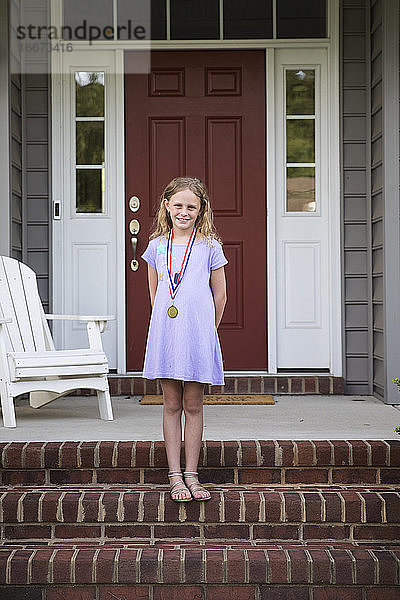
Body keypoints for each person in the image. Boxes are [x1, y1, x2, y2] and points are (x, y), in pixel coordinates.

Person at [141, 176, 228, 502]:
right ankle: (174, 475)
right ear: (167, 206)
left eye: (191, 206)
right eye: (178, 205)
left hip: (197, 336)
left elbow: (220, 295)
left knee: (194, 405)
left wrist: (207, 330)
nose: (184, 211)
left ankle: (192, 475)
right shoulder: (157, 246)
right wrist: (168, 326)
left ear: (201, 209)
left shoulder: (209, 247)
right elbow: (155, 292)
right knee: (171, 404)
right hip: (167, 336)